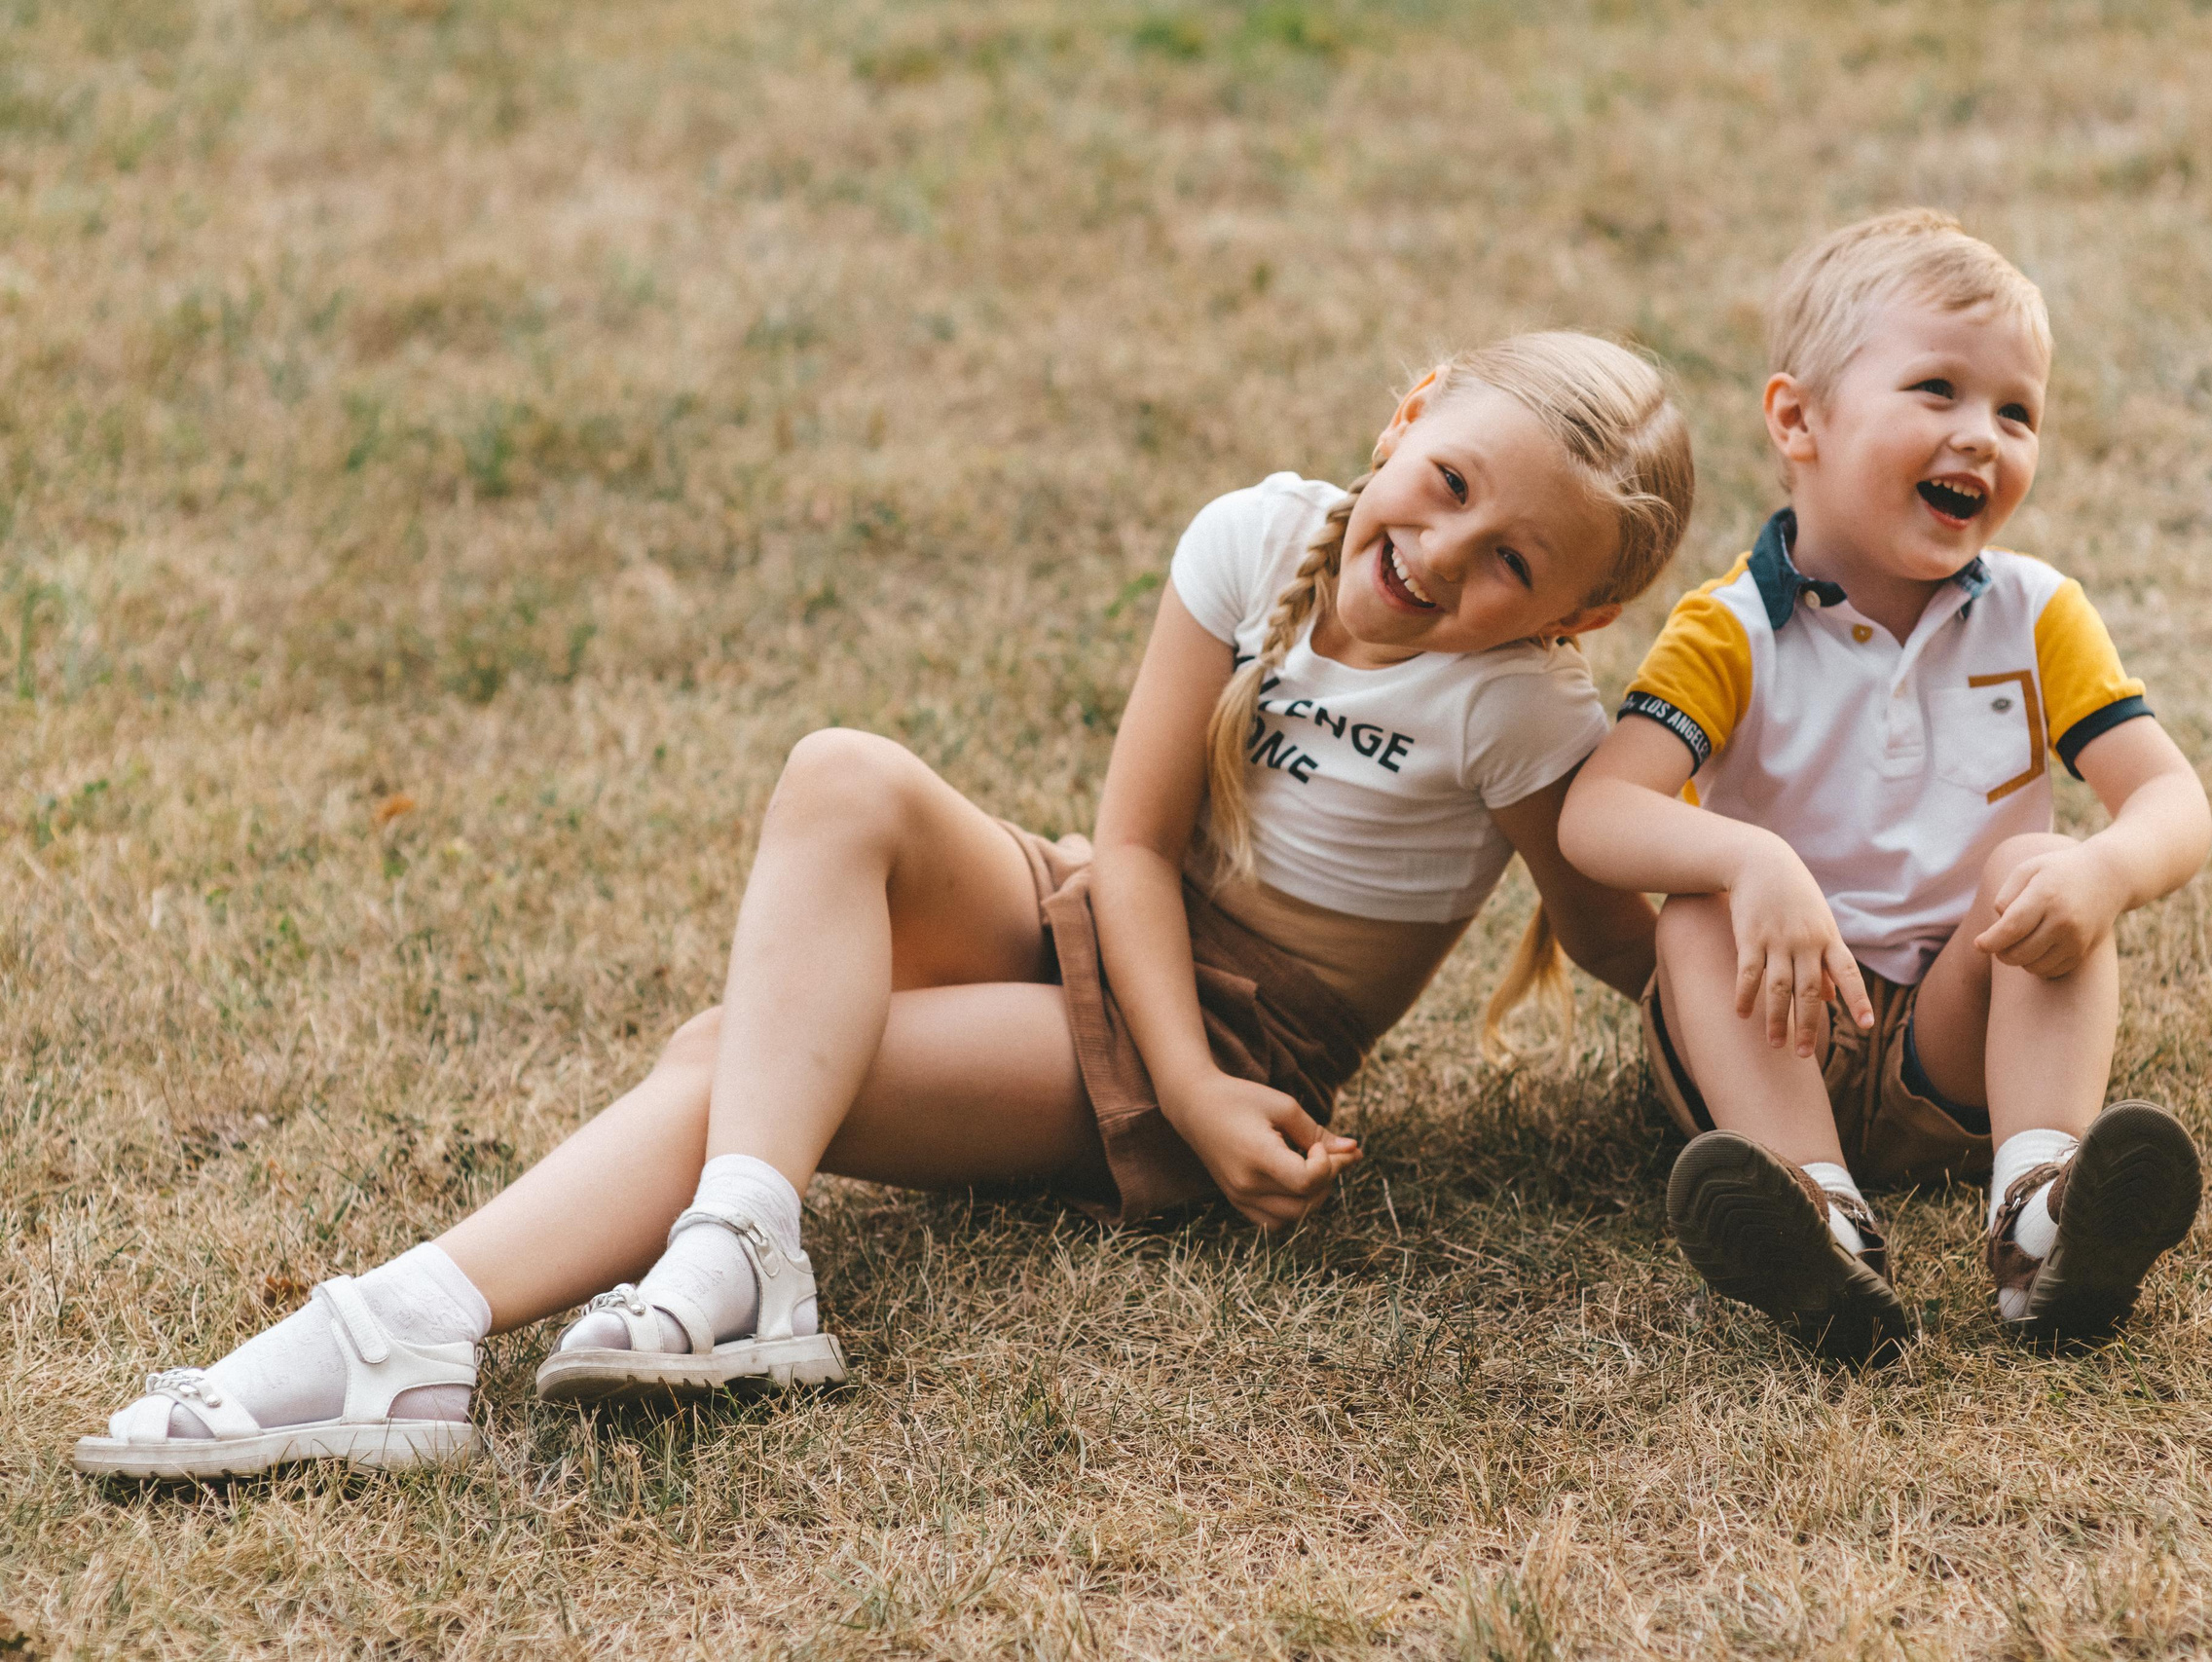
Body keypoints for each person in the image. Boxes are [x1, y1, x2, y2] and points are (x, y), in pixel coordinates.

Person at [78, 331, 1696, 1478]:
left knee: (736, 1054)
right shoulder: (1259, 535)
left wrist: (1203, 1096)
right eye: (1454, 480)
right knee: (843, 773)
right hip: (1100, 908)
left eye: (1513, 564)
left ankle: (403, 1329)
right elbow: (1129, 850)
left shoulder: (1523, 715)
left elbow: (1624, 938)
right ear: (1410, 410)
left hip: (1230, 1030)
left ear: (1582, 612)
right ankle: (735, 1243)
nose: (1448, 553)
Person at [1559, 212, 2212, 1363]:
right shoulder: (1730, 628)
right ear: (1796, 419)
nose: (1983, 436)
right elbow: (1596, 815)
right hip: (1776, 1025)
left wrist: (2102, 873)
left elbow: (2172, 803)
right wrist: (1750, 858)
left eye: (2016, 412)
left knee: (2036, 868)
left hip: (1955, 1054)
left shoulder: (2034, 610)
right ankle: (1816, 1220)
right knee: (1700, 906)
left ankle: (2037, 1210)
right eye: (1936, 390)